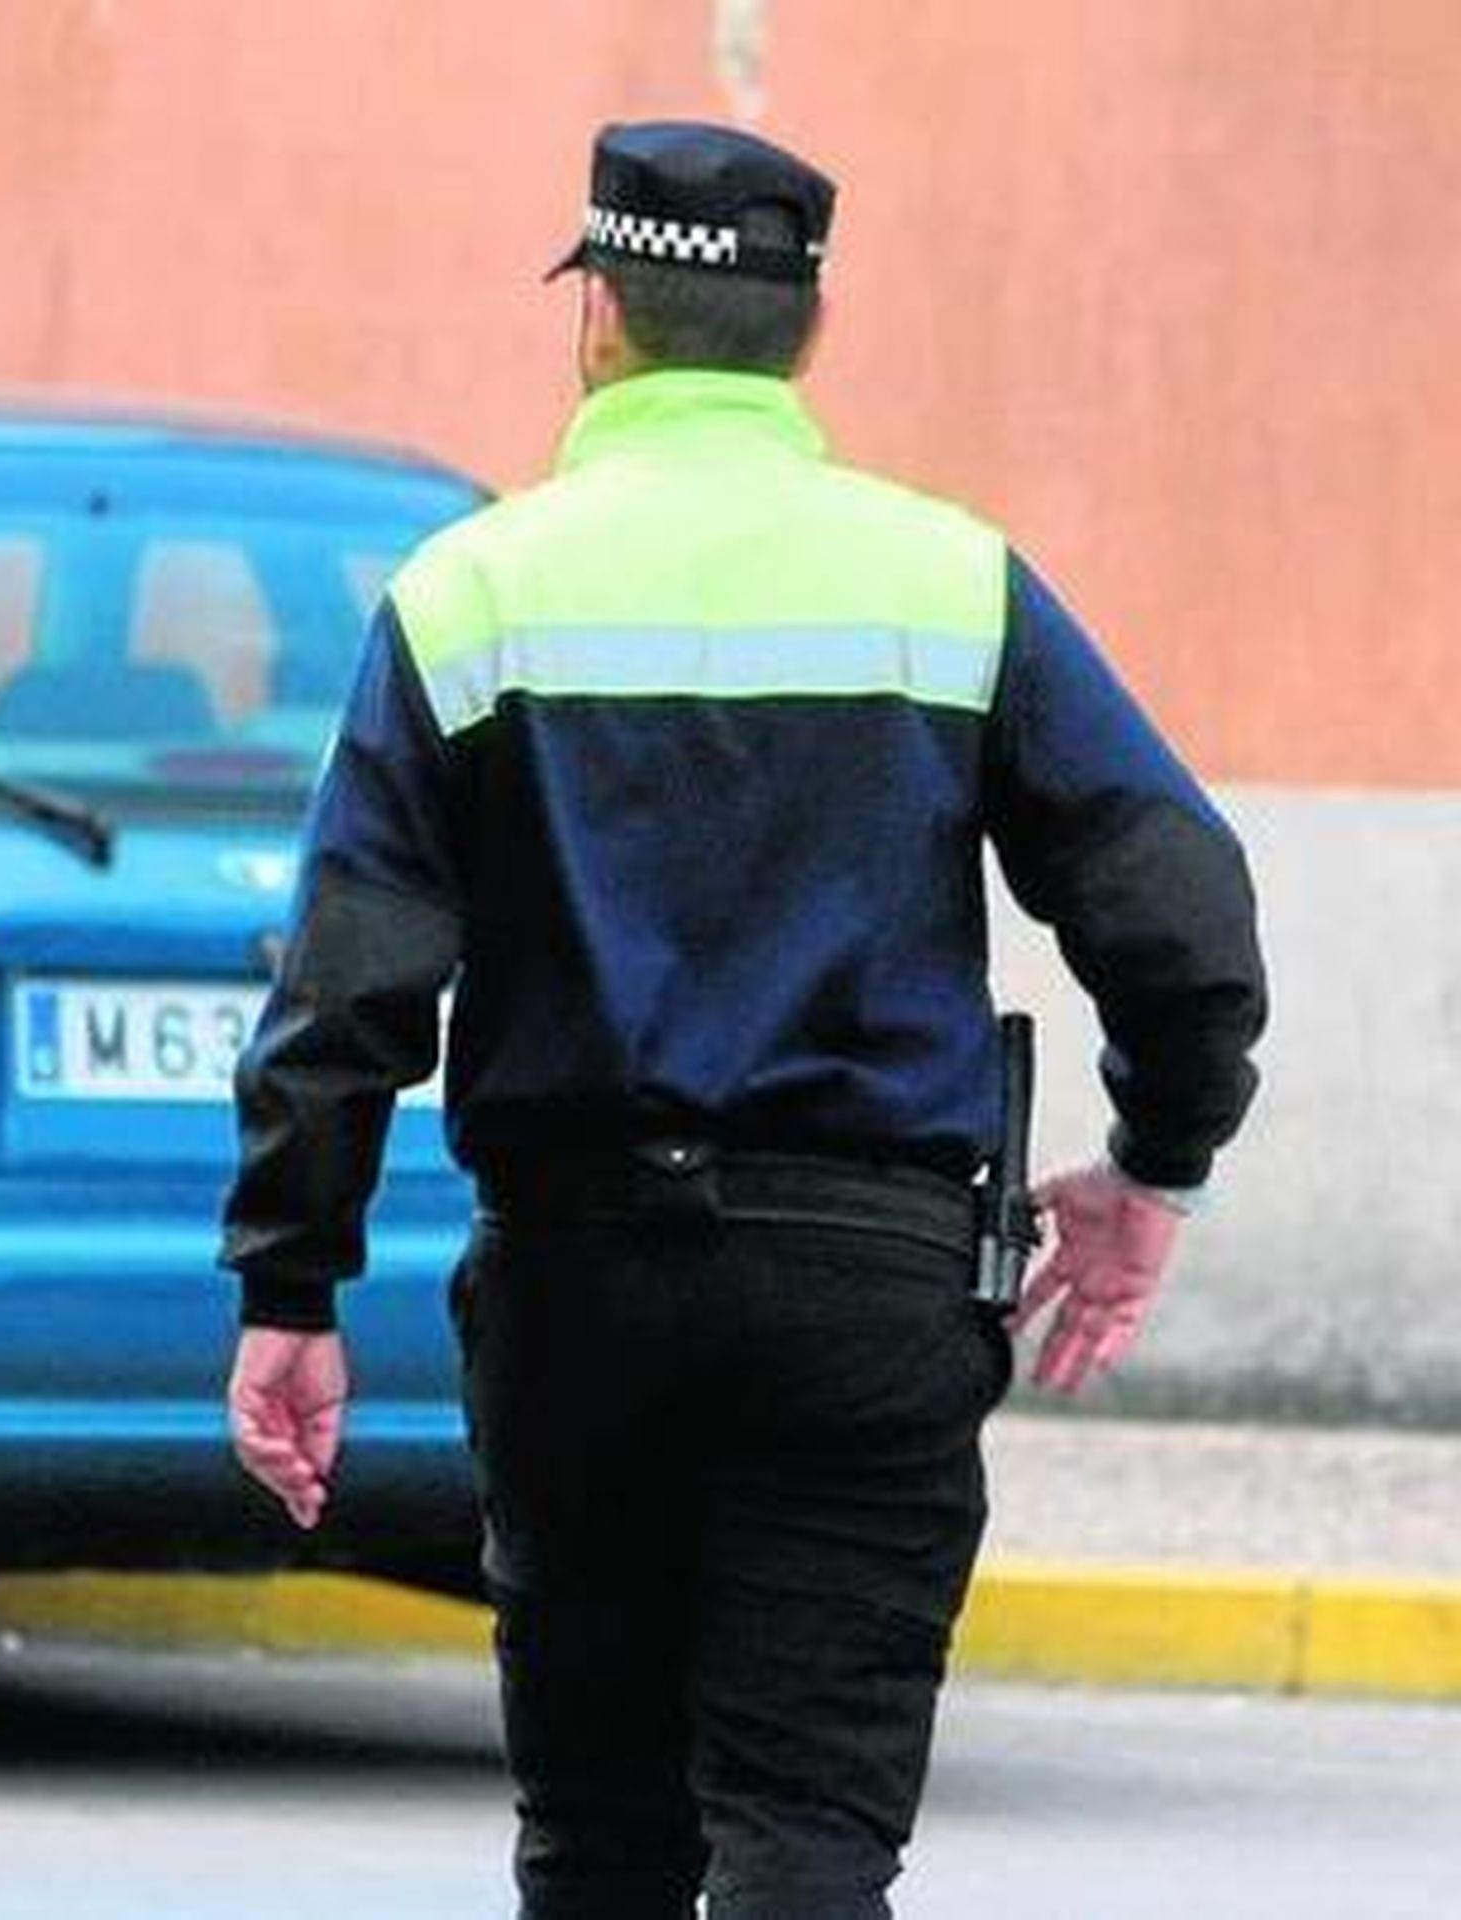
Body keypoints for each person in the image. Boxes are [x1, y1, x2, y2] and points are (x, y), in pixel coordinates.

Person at [220, 120, 1267, 1920]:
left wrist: (290, 1285)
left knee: (601, 1841)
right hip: (862, 1294)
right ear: (810, 332)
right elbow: (1177, 907)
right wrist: (1155, 1159)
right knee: (810, 1843)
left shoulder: (474, 593)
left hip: (575, 1289)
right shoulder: (951, 580)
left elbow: (349, 986)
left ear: (600, 320)